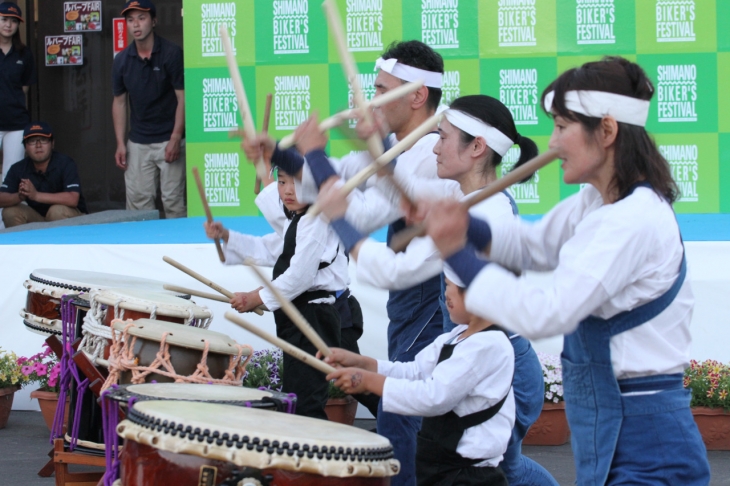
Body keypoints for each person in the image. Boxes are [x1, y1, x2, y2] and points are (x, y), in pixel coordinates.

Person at [424, 57, 711, 485]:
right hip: (611, 421)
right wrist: (465, 225)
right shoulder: (595, 202)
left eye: (561, 127)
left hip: (649, 438)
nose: (552, 142)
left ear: (608, 131)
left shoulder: (633, 218)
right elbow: (532, 246)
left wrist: (460, 254)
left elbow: (549, 312)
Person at [315, 94, 557, 485]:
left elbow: (395, 270)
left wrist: (342, 223)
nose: (434, 146)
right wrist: (377, 146)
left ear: (477, 147)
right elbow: (406, 189)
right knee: (494, 471)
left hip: (500, 361)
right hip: (468, 345)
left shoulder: (482, 212)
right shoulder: (462, 197)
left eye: (443, 137)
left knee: (499, 471)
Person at [244, 40, 447, 486]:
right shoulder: (395, 145)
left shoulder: (430, 152)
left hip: (434, 299)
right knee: (417, 418)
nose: (371, 98)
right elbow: (331, 176)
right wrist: (278, 154)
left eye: (381, 88)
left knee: (402, 418)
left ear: (416, 95)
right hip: (410, 299)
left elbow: (356, 214)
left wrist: (312, 154)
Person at [322, 268, 515, 486]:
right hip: (441, 468)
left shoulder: (489, 345)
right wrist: (366, 364)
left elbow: (434, 397)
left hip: (469, 476)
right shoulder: (455, 336)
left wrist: (367, 381)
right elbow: (415, 372)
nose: (445, 293)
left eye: (451, 286)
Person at [204, 167, 346, 420]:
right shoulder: (300, 221)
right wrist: (226, 235)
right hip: (299, 316)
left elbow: (299, 277)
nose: (288, 190)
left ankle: (313, 455)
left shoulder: (317, 223)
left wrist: (256, 298)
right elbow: (266, 248)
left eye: (297, 183)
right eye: (281, 182)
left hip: (314, 318)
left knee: (306, 402)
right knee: (297, 395)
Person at [112, 0, 186, 218]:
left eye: (141, 18)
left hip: (169, 139)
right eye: (130, 19)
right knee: (138, 207)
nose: (136, 24)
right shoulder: (122, 60)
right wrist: (120, 143)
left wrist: (175, 137)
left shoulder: (171, 53)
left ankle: (179, 251)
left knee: (173, 202)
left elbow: (182, 97)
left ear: (153, 21)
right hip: (138, 141)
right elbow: (119, 102)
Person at [0, 121, 87, 227]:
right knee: (11, 212)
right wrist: (20, 196)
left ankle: (61, 243)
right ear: (25, 147)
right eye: (32, 141)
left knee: (56, 211)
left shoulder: (65, 163)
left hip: (72, 219)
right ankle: (24, 243)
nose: (38, 145)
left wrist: (35, 195)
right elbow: (2, 198)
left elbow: (73, 199)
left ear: (52, 143)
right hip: (38, 218)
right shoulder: (18, 168)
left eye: (43, 140)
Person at [0, 1, 36, 228]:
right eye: (4, 19)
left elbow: (24, 89)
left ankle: (4, 229)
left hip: (15, 124)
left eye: (13, 21)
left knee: (9, 178)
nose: (8, 24)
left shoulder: (24, 53)